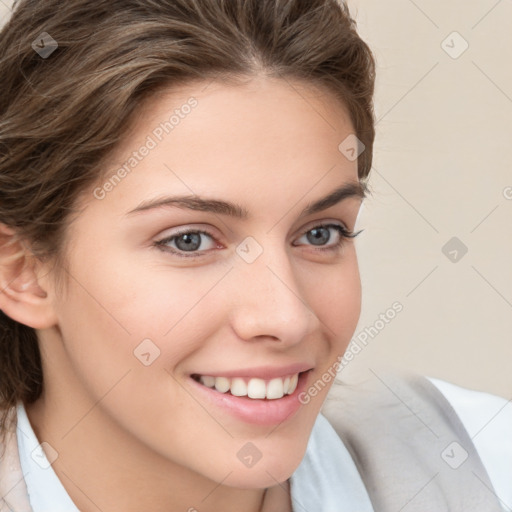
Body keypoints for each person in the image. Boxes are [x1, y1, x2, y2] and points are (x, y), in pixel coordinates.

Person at [0, 0, 510, 511]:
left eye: (320, 233)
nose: (287, 318)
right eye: (189, 241)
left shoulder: (487, 464)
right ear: (22, 272)